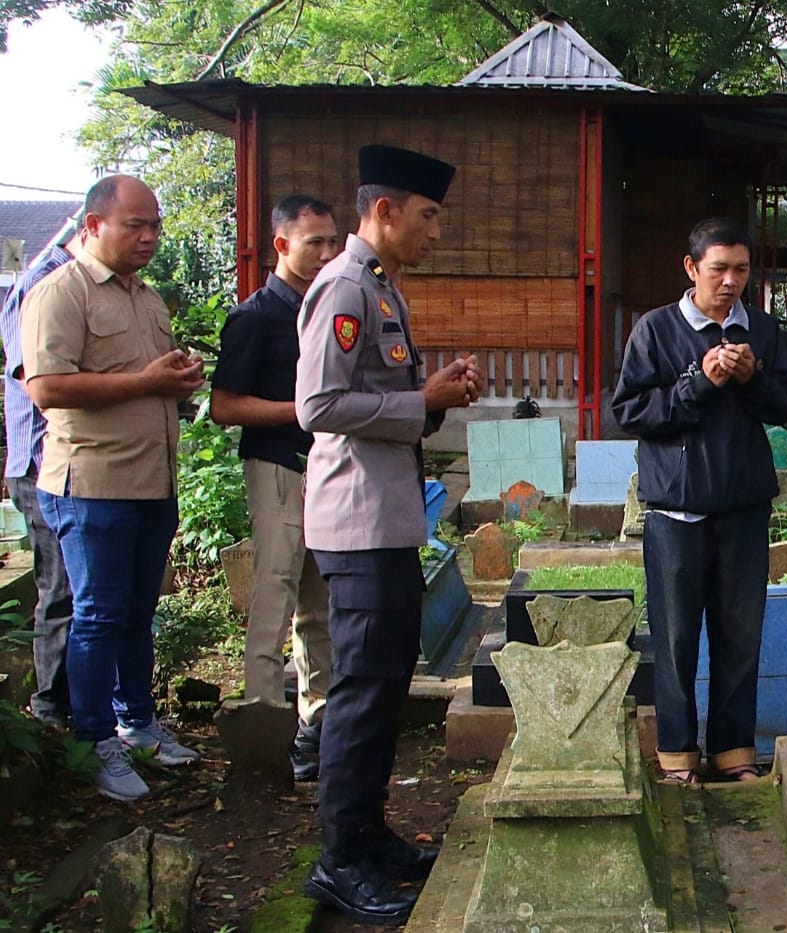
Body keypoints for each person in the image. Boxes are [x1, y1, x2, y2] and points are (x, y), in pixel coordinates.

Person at [295, 144, 480, 925]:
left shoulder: (382, 290)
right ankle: (340, 860)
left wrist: (433, 399)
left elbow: (385, 400)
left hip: (388, 518)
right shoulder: (344, 288)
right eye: (428, 214)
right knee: (362, 693)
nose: (436, 230)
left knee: (382, 683)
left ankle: (368, 839)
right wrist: (419, 404)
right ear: (385, 210)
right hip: (357, 522)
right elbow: (318, 406)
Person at [20, 175, 204, 800]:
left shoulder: (146, 297)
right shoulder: (59, 293)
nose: (149, 237)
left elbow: (149, 377)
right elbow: (45, 387)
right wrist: (146, 382)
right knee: (96, 615)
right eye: (135, 225)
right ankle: (92, 739)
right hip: (92, 484)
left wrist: (177, 380)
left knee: (135, 613)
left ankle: (138, 725)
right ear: (94, 225)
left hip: (152, 480)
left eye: (154, 225)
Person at [612, 218, 787, 784]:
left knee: (740, 635)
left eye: (741, 270)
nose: (730, 281)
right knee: (674, 640)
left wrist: (749, 377)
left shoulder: (762, 331)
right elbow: (631, 412)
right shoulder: (656, 330)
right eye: (718, 269)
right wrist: (698, 382)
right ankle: (676, 753)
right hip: (676, 509)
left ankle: (733, 751)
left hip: (743, 506)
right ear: (692, 268)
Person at [211, 195, 340, 782]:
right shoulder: (255, 316)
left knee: (320, 599)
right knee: (276, 589)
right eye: (313, 241)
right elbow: (224, 405)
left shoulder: (330, 303)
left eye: (332, 241)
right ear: (280, 244)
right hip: (277, 465)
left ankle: (319, 722)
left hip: (330, 469)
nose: (326, 252)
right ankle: (264, 715)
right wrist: (303, 410)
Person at [1, 222, 80, 728]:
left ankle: (78, 709)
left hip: (72, 464)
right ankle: (52, 710)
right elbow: (35, 378)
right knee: (61, 588)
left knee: (80, 589)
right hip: (39, 463)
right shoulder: (43, 285)